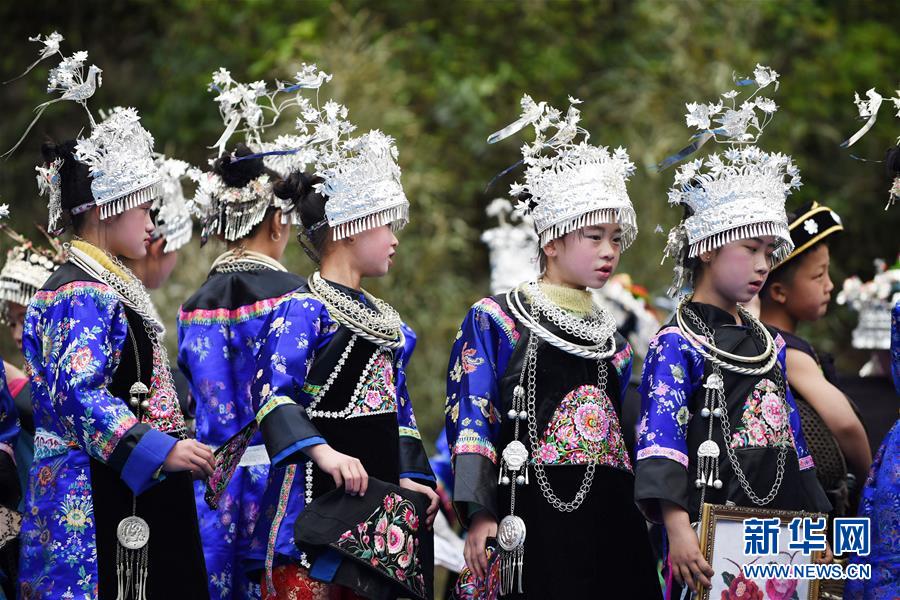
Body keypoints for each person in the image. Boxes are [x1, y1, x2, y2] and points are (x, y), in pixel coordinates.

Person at [11, 53, 213, 595]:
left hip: (123, 485)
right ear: (107, 207)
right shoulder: (80, 290)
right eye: (144, 208)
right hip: (95, 499)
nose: (151, 224)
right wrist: (159, 449)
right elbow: (79, 394)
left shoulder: (105, 283)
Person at [446, 94, 659, 599]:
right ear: (552, 241)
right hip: (528, 517)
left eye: (616, 238)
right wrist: (479, 512)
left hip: (609, 525)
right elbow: (472, 417)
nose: (609, 251)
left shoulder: (613, 342)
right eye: (594, 236)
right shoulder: (498, 319)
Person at [635, 66, 832, 596]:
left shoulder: (769, 342)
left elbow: (793, 441)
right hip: (708, 534)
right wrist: (677, 527)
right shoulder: (678, 342)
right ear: (706, 247)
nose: (763, 264)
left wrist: (820, 524)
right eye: (750, 249)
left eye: (769, 251)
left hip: (782, 532)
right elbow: (661, 438)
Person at [239, 98, 437, 599]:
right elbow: (272, 394)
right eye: (386, 224)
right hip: (311, 512)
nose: (395, 239)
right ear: (349, 228)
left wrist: (411, 478)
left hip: (377, 522)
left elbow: (401, 414)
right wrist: (325, 453)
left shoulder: (386, 323)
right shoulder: (302, 310)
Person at [178, 64, 325, 599]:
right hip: (281, 491)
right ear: (279, 220)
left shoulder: (192, 307)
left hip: (211, 494)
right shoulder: (298, 298)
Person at [759, 201, 871, 516]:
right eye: (818, 275)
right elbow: (845, 424)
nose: (830, 285)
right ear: (778, 291)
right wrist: (870, 480)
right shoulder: (785, 350)